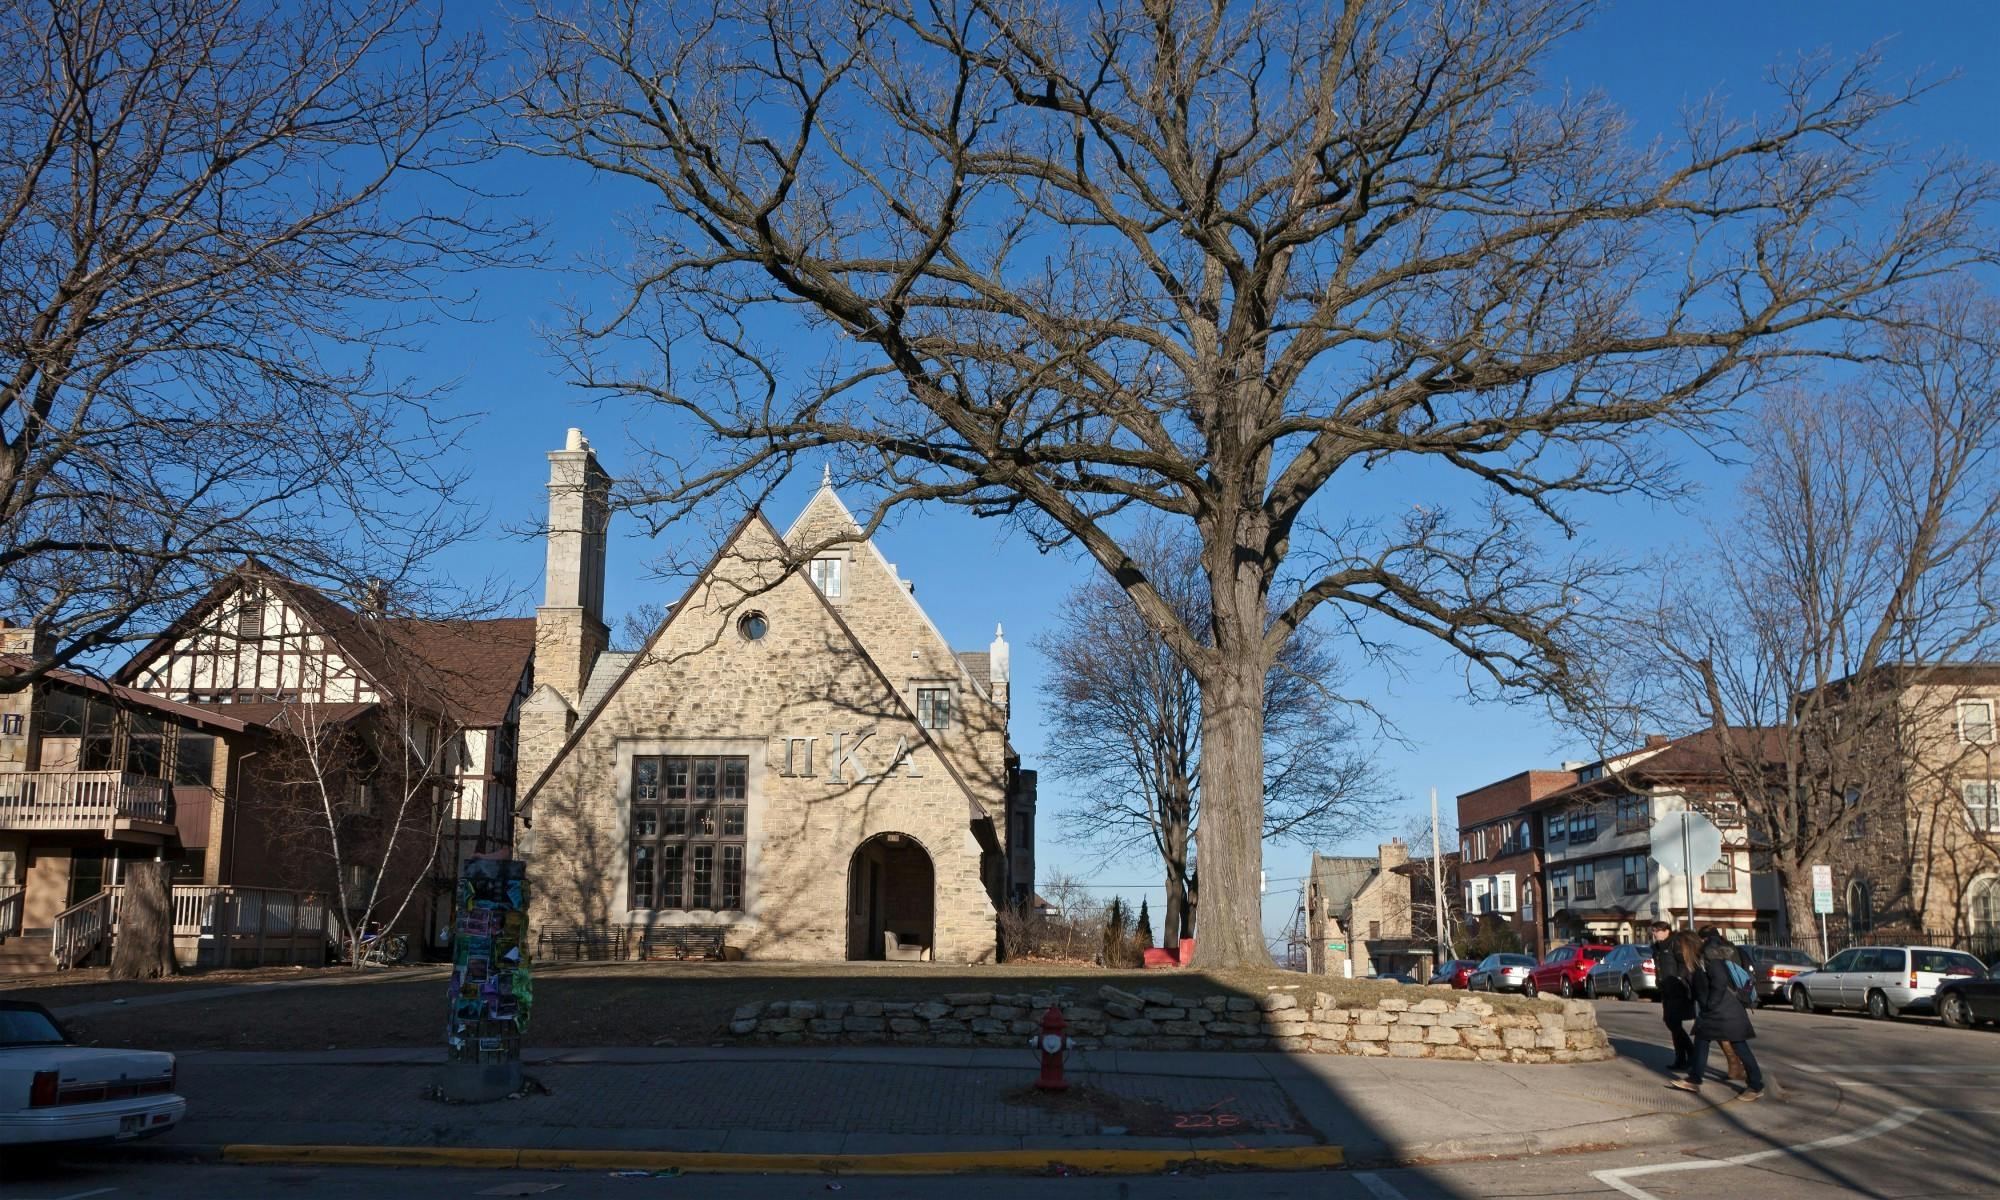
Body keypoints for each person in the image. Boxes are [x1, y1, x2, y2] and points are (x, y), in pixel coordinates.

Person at [1671, 928, 1765, 1100]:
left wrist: (1710, 1003)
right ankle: (1694, 1079)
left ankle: (1756, 1085)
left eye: (1679, 948)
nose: (1678, 953)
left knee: (1740, 1047)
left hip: (1726, 1011)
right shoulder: (1698, 961)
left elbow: (1720, 981)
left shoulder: (1709, 958)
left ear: (1687, 946)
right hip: (1714, 1011)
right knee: (1701, 1042)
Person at [1650, 920, 1694, 1071]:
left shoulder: (1674, 943)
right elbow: (1659, 966)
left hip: (1676, 988)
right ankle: (1681, 1058)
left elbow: (1684, 964)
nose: (1654, 934)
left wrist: (1678, 979)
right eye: (1653, 931)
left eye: (1657, 931)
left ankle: (1691, 1053)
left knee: (1673, 1022)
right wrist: (1659, 981)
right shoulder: (1657, 947)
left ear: (1666, 931)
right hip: (1665, 988)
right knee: (1672, 1023)